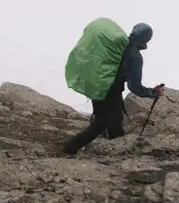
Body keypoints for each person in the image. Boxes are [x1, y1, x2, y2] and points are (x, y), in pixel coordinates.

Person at [62, 22, 164, 155]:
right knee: (102, 123)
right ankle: (71, 148)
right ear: (147, 39)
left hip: (98, 84)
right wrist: (152, 93)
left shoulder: (116, 45)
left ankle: (113, 152)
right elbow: (134, 86)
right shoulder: (135, 56)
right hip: (111, 91)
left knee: (113, 121)